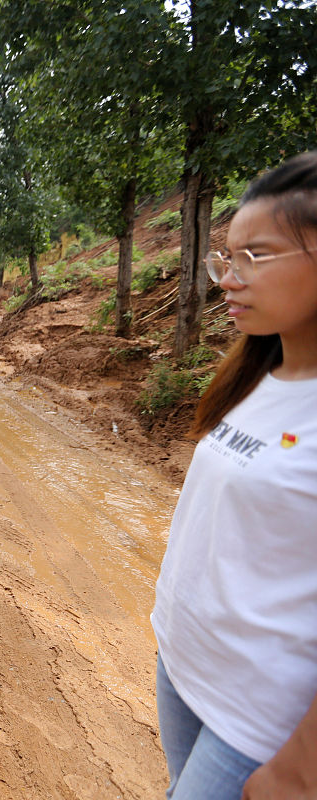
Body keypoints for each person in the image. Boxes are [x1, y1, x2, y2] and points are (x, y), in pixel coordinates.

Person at [151, 150, 317, 800]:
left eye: (256, 255)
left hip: (257, 713)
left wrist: (300, 768)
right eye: (227, 257)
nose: (229, 278)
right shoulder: (256, 375)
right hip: (183, 666)